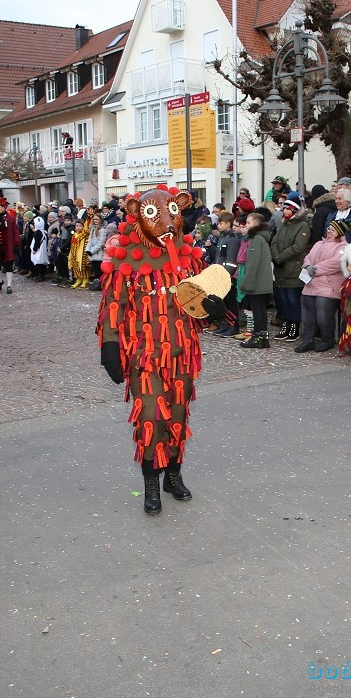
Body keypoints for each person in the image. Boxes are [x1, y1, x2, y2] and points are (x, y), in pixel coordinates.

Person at [96, 185, 222, 515]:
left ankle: (174, 475)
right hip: (144, 354)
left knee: (178, 413)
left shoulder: (187, 256)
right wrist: (110, 345)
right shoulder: (127, 256)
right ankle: (151, 481)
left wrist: (214, 308)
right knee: (151, 416)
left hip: (183, 351)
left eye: (172, 212)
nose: (166, 221)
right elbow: (114, 305)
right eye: (154, 213)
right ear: (138, 214)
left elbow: (199, 301)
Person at [295, 218, 349, 353]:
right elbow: (308, 256)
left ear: (339, 232)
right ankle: (307, 340)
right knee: (307, 315)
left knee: (323, 315)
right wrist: (307, 266)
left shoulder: (343, 247)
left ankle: (327, 340)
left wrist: (315, 269)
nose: (329, 230)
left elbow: (336, 263)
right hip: (311, 284)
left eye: (332, 229)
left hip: (328, 286)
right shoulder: (319, 243)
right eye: (329, 228)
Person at [270, 198, 312, 343]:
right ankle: (286, 324)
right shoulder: (283, 224)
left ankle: (294, 326)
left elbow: (298, 247)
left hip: (293, 269)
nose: (285, 211)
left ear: (294, 210)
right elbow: (274, 241)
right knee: (283, 300)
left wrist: (280, 257)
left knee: (292, 299)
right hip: (280, 269)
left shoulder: (302, 226)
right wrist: (275, 256)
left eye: (288, 208)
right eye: (284, 208)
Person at [238, 209, 274, 348]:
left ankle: (259, 337)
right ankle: (262, 338)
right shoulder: (260, 238)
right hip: (261, 281)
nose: (246, 225)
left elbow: (253, 264)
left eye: (248, 222)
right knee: (260, 310)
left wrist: (248, 283)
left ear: (256, 224)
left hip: (257, 282)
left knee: (258, 310)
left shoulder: (257, 239)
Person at [0, 199, 20, 294]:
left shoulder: (11, 219)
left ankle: (9, 285)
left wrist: (16, 244)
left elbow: (16, 232)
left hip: (8, 246)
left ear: (3, 208)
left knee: (8, 266)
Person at [68, 217, 90, 288]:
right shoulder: (74, 235)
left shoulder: (84, 235)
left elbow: (86, 230)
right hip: (74, 253)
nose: (78, 227)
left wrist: (88, 219)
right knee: (75, 266)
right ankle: (78, 279)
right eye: (77, 226)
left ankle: (85, 280)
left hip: (82, 254)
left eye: (80, 226)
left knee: (83, 267)